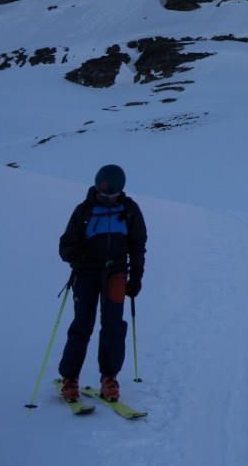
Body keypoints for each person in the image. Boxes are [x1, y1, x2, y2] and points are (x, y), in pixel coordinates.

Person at [56, 164, 147, 402]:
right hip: (86, 274)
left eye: (112, 195)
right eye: (104, 194)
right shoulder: (84, 211)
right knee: (82, 325)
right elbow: (65, 245)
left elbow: (138, 244)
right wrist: (77, 255)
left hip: (116, 273)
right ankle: (69, 378)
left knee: (113, 325)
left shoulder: (129, 210)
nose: (108, 198)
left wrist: (136, 276)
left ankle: (109, 378)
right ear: (97, 188)